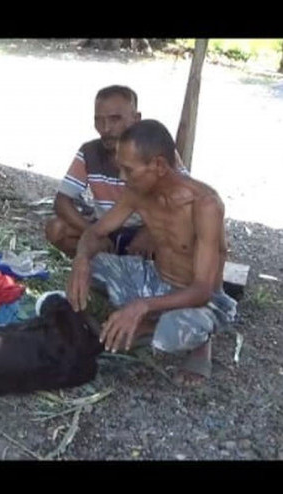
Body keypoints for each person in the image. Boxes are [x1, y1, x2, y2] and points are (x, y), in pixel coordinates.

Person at [66, 119, 237, 387]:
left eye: (128, 170)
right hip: (153, 280)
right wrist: (81, 261)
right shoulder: (137, 191)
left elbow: (203, 289)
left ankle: (198, 341)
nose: (122, 177)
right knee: (92, 265)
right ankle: (140, 323)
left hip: (198, 299)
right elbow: (95, 233)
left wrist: (141, 306)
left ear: (158, 165)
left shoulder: (205, 205)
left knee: (174, 333)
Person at [46, 85, 185, 259]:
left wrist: (150, 232)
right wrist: (93, 233)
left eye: (115, 119)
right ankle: (99, 270)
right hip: (105, 229)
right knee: (57, 229)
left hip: (147, 232)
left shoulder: (157, 151)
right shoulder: (90, 152)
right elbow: (62, 201)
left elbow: (185, 200)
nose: (105, 128)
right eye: (98, 120)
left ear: (136, 119)